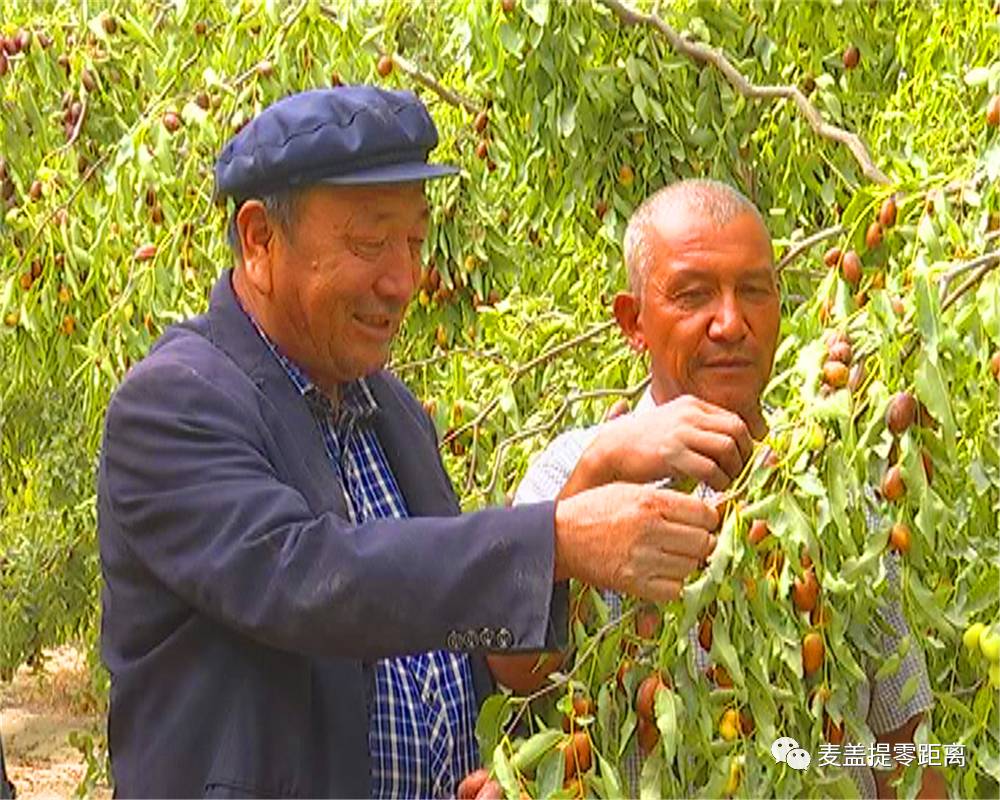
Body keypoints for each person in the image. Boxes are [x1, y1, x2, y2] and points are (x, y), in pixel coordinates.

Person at [96, 87, 723, 798]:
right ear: (259, 240)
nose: (403, 280)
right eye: (369, 243)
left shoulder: (390, 413)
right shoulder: (176, 402)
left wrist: (496, 766)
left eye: (416, 241)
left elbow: (435, 626)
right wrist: (557, 539)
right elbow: (308, 579)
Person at [508, 179, 946, 799]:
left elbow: (902, 742)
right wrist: (602, 470)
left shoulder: (835, 491)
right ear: (633, 323)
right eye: (693, 295)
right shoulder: (568, 470)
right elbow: (516, 674)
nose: (731, 323)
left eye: (754, 292)